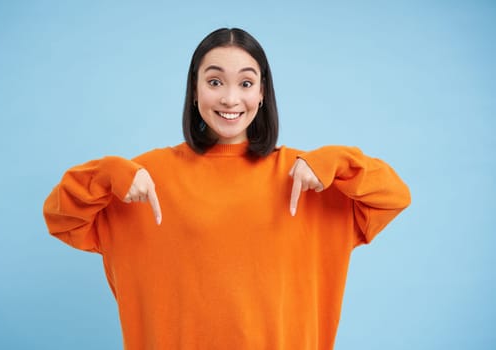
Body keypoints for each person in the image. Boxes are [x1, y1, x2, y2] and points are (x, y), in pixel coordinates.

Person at [43, 28, 411, 350]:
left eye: (246, 83)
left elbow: (394, 196)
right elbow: (60, 218)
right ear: (194, 90)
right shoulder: (143, 180)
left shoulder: (308, 179)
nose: (230, 99)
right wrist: (106, 173)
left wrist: (340, 161)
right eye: (215, 81)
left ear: (262, 92)